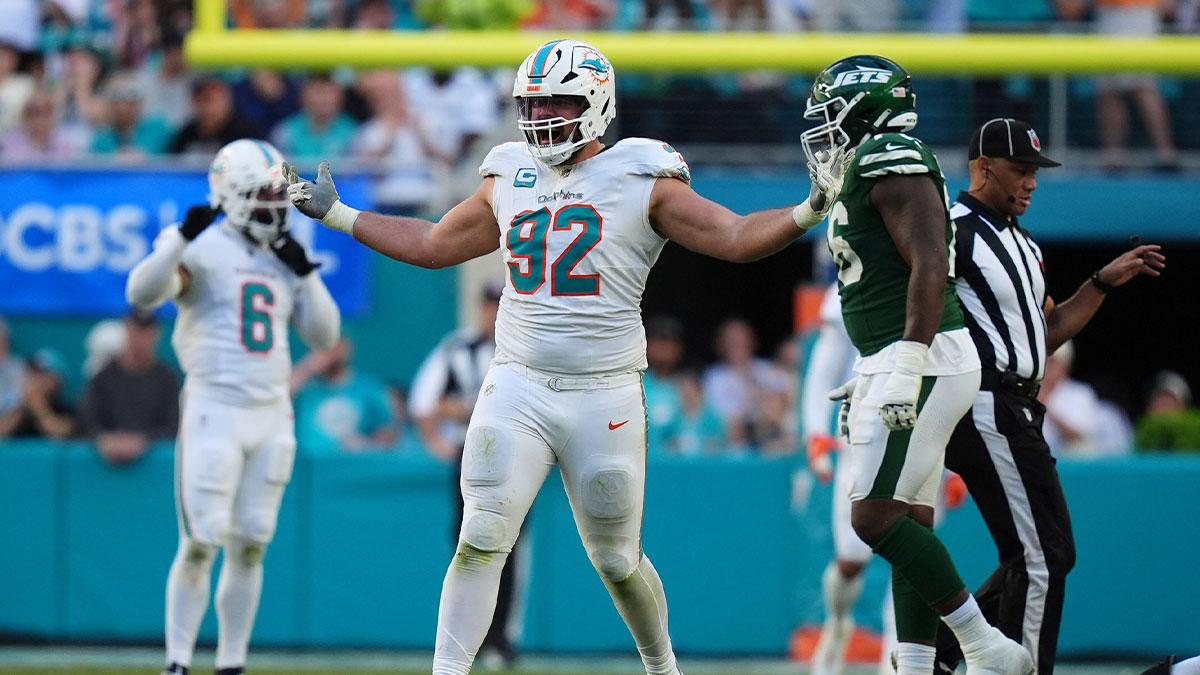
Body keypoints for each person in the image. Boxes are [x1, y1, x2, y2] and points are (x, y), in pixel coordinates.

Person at [284, 38, 843, 675]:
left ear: (598, 104)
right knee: (481, 534)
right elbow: (437, 242)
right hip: (517, 380)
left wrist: (808, 209)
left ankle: (662, 665)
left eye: (559, 100)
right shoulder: (508, 173)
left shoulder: (643, 177)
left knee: (615, 558)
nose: (542, 114)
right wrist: (340, 214)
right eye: (534, 101)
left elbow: (736, 237)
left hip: (604, 390)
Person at [802, 55, 1032, 675]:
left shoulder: (890, 158)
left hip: (924, 359)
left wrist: (903, 363)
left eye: (832, 114)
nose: (824, 131)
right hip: (912, 356)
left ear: (866, 109)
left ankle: (985, 648)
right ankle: (914, 663)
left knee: (873, 519)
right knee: (910, 520)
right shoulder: (875, 163)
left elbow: (932, 263)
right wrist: (882, 360)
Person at [933, 117, 1165, 675]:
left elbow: (1047, 329)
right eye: (1020, 170)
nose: (1032, 183)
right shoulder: (952, 229)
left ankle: (940, 653)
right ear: (983, 167)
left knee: (1048, 553)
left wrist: (1102, 283)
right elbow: (916, 305)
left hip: (1018, 405)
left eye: (1035, 171)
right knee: (1041, 557)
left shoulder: (1025, 244)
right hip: (984, 400)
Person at [125, 138, 340, 675]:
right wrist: (178, 239)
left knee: (251, 546)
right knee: (201, 541)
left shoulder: (283, 255)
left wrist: (306, 272)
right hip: (214, 407)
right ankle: (176, 662)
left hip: (271, 414)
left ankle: (231, 663)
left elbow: (325, 334)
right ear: (234, 194)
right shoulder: (200, 245)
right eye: (264, 192)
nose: (275, 203)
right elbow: (141, 294)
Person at [409, 281, 521, 666]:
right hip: (469, 455)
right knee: (468, 547)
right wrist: (437, 440)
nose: (492, 312)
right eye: (488, 304)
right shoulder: (457, 348)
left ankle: (500, 638)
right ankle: (460, 639)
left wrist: (462, 409)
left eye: (498, 304)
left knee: (507, 550)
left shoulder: (522, 345)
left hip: (515, 458)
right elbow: (425, 402)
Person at [80, 311, 181, 465]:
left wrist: (143, 440)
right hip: (104, 473)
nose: (140, 338)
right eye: (136, 330)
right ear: (126, 330)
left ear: (156, 334)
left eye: (146, 331)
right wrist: (104, 439)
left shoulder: (168, 380)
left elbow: (174, 425)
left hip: (155, 471)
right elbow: (87, 421)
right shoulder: (103, 378)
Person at [291, 337, 396, 454]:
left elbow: (387, 431)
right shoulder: (306, 388)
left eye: (334, 347)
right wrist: (307, 367)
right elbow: (282, 396)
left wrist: (367, 444)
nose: (329, 353)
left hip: (349, 466)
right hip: (309, 465)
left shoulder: (369, 388)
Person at [0, 348, 77, 439]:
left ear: (58, 380)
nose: (36, 380)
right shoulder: (19, 408)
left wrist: (40, 408)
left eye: (42, 373)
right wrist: (20, 405)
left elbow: (64, 432)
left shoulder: (68, 409)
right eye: (33, 373)